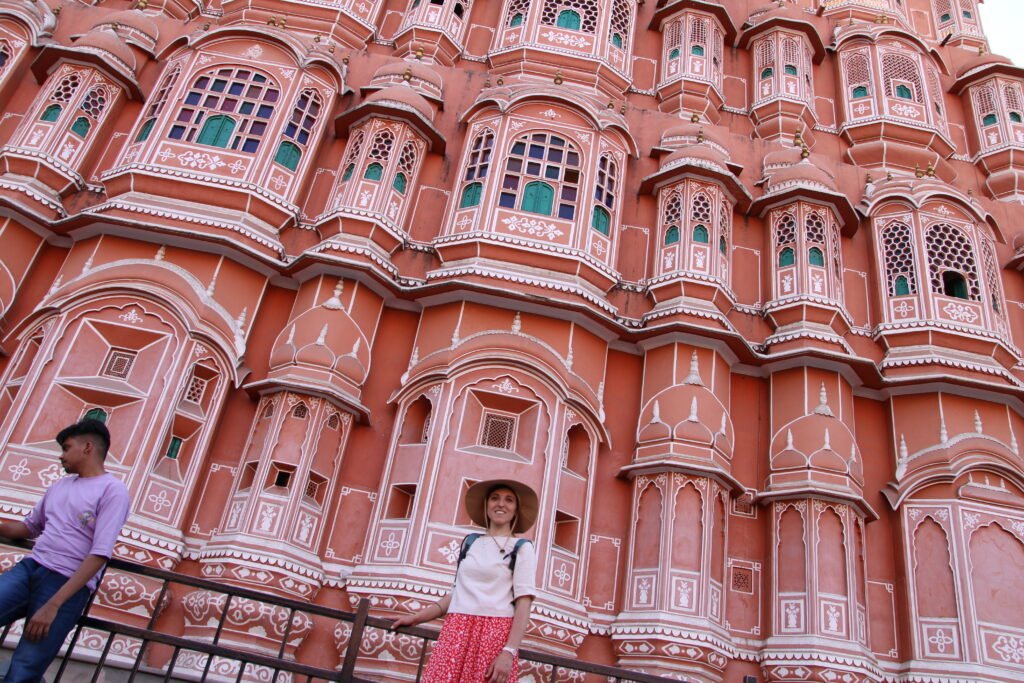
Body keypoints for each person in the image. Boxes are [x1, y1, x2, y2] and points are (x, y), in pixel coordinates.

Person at [0, 418, 131, 683]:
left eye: (66, 448)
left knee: (25, 668)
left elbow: (100, 553)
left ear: (87, 448)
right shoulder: (60, 486)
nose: (61, 456)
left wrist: (54, 604)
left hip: (66, 584)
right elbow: (29, 527)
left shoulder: (112, 491)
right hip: (31, 568)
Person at [393, 479, 538, 683]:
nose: (501, 504)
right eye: (494, 498)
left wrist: (508, 652)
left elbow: (524, 602)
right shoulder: (471, 543)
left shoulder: (522, 548)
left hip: (493, 633)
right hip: (456, 629)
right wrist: (416, 618)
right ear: (486, 505)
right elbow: (456, 595)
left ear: (516, 509)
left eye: (509, 500)